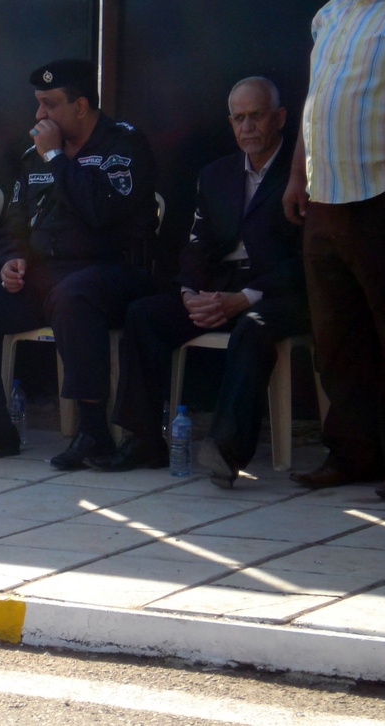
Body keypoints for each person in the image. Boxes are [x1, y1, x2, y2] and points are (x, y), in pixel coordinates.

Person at [0, 58, 158, 466]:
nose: (40, 115)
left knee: (75, 293)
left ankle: (93, 431)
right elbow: (15, 223)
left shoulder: (123, 145)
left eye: (50, 104)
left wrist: (57, 157)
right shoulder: (33, 155)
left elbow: (101, 213)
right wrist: (13, 258)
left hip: (113, 273)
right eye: (38, 104)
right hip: (47, 277)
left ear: (81, 105)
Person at [89, 78, 310, 485]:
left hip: (279, 293)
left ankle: (226, 449)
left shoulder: (301, 174)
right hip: (218, 288)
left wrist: (244, 298)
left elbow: (307, 260)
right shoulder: (216, 174)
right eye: (239, 118)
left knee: (251, 330)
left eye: (256, 116)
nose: (247, 127)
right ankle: (142, 441)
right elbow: (195, 243)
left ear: (279, 117)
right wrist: (190, 292)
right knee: (144, 315)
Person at [282, 0, 385, 500]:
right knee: (336, 339)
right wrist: (295, 173)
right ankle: (354, 453)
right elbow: (316, 101)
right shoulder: (329, 13)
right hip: (325, 196)